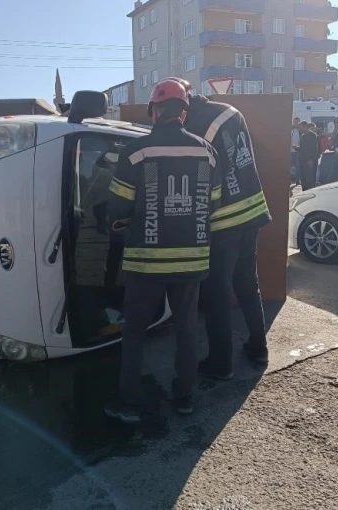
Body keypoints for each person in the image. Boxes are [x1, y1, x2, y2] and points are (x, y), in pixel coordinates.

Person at [104, 79, 223, 423]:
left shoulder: (137, 152)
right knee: (186, 331)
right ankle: (185, 397)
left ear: (154, 111)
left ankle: (130, 400)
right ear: (184, 112)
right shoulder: (207, 152)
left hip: (146, 262)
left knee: (135, 331)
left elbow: (118, 208)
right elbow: (213, 204)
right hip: (192, 261)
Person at [166, 77, 272, 380]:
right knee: (247, 284)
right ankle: (258, 346)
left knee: (217, 292)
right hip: (252, 210)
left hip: (224, 219)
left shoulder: (196, 127)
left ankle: (220, 364)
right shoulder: (229, 110)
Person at [297, 122, 320, 191]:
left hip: (309, 161)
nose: (299, 129)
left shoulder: (312, 135)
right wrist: (296, 148)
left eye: (301, 127)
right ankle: (304, 192)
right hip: (302, 160)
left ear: (305, 127)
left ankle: (311, 192)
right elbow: (302, 148)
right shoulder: (303, 136)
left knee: (309, 179)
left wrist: (312, 160)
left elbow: (314, 149)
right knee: (303, 179)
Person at [290, 117, 301, 185]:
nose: (296, 123)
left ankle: (297, 181)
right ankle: (290, 180)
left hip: (297, 151)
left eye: (297, 122)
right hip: (290, 151)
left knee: (297, 166)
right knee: (290, 166)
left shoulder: (300, 131)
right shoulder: (290, 130)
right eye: (295, 121)